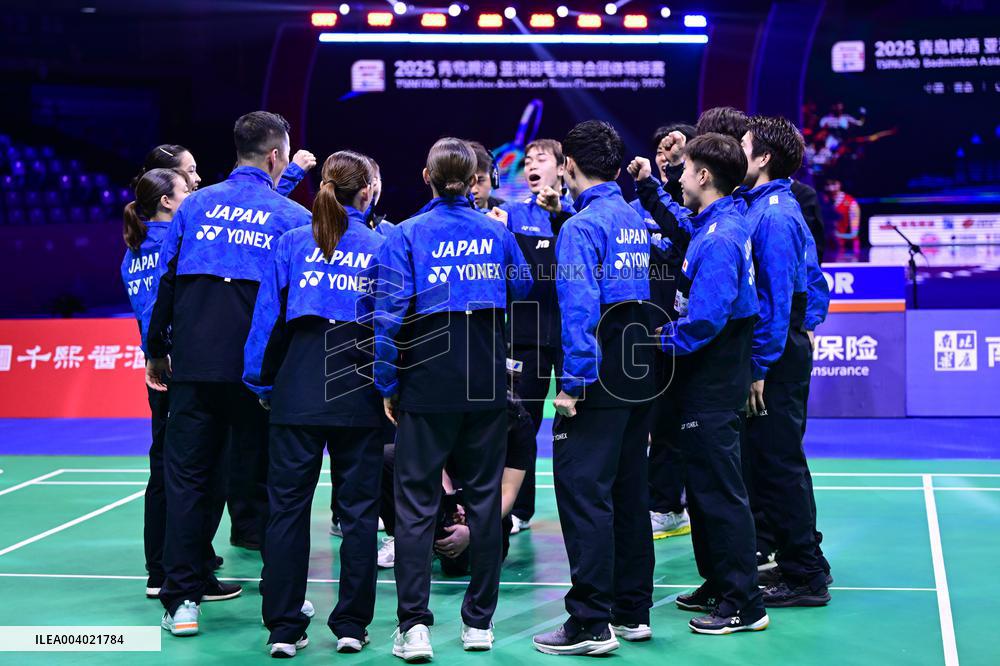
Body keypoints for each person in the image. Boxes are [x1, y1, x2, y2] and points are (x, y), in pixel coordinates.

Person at [143, 111, 311, 638]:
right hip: (257, 376)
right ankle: (282, 609)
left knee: (188, 480)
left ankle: (182, 603)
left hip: (194, 367)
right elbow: (291, 302)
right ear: (275, 157)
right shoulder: (289, 217)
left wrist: (156, 349)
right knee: (274, 488)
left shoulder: (194, 205)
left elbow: (166, 280)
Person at [373, 137, 532, 659]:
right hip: (485, 382)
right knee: (485, 504)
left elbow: (387, 317)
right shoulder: (495, 231)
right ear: (476, 181)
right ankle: (479, 625)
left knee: (416, 508)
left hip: (426, 382)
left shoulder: (407, 234)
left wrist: (387, 384)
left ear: (427, 177)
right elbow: (523, 286)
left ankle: (414, 628)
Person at [243, 150, 386, 657]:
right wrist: (389, 389)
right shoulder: (379, 244)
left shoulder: (290, 244)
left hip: (297, 388)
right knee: (360, 513)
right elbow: (391, 328)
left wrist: (261, 384)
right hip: (358, 391)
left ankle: (283, 627)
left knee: (285, 511)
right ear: (366, 191)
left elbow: (266, 324)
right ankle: (351, 625)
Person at [532, 120, 656, 656]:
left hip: (599, 367)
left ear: (569, 167)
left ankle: (589, 622)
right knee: (630, 492)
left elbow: (580, 306)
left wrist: (574, 384)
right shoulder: (630, 216)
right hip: (641, 365)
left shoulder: (580, 229)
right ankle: (632, 612)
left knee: (584, 493)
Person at [659, 132, 769, 635]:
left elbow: (705, 320)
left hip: (713, 373)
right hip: (703, 375)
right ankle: (718, 583)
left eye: (683, 169)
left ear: (704, 175)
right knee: (702, 488)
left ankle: (745, 603)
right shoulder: (713, 225)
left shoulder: (723, 238)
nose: (679, 177)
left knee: (721, 490)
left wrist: (659, 340)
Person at [737, 116, 832, 608]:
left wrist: (761, 366)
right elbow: (817, 285)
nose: (737, 152)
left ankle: (806, 575)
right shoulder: (770, 206)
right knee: (774, 461)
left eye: (744, 146)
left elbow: (776, 300)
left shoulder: (774, 215)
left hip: (773, 354)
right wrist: (803, 328)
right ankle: (803, 559)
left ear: (763, 158)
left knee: (778, 464)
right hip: (784, 346)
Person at [376, 374, 535, 572]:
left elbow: (507, 491)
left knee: (456, 566)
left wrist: (472, 527)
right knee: (388, 458)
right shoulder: (460, 410)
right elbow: (434, 462)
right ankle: (404, 539)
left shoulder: (521, 426)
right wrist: (448, 502)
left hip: (485, 501)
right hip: (447, 489)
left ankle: (450, 539)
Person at [496, 138, 574, 534]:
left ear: (562, 168)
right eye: (527, 160)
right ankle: (518, 510)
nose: (531, 165)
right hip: (524, 334)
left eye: (541, 159)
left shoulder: (576, 215)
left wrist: (560, 214)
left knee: (574, 421)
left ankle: (577, 501)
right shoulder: (509, 214)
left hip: (568, 333)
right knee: (520, 421)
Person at [121, 167, 191, 599]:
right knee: (189, 470)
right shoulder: (175, 244)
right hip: (183, 364)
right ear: (167, 201)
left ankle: (158, 569)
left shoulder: (132, 251)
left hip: (156, 366)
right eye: (186, 188)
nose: (192, 191)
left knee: (162, 466)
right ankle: (184, 571)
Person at [467, 140, 505, 211]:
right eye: (468, 182)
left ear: (493, 178)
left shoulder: (506, 210)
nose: (474, 191)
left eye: (480, 180)